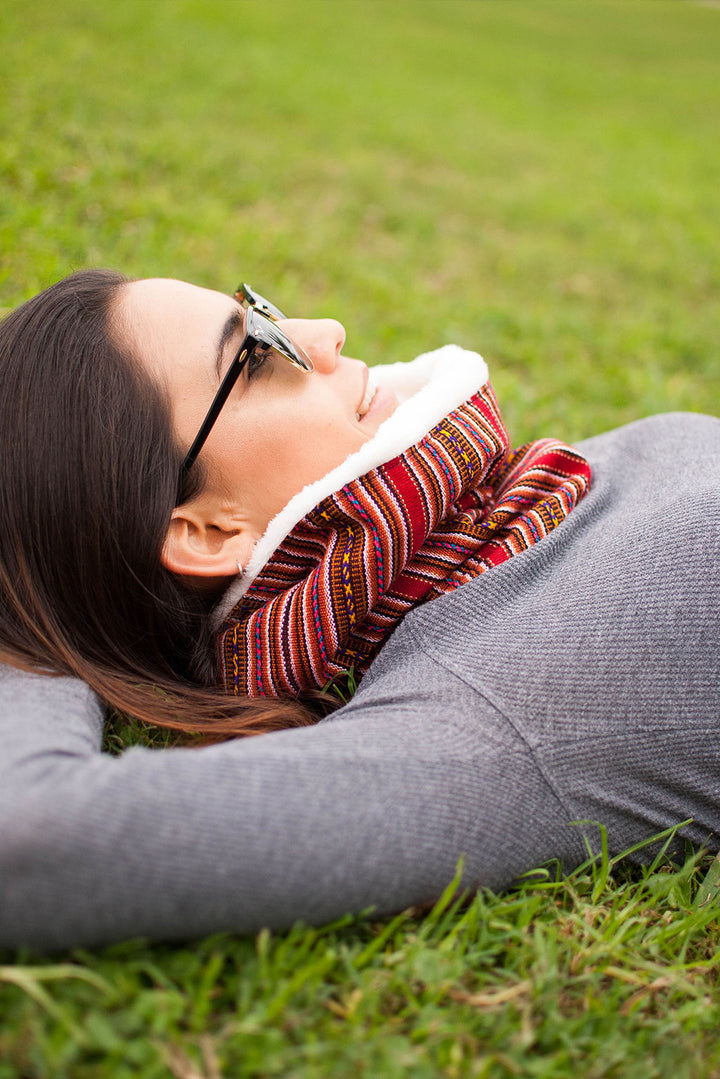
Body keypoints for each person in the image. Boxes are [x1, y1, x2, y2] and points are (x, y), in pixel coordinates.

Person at [0, 270, 717, 952]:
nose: (326, 332)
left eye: (264, 309)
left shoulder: (508, 513)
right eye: (255, 354)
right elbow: (28, 828)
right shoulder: (491, 711)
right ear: (208, 531)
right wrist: (25, 620)